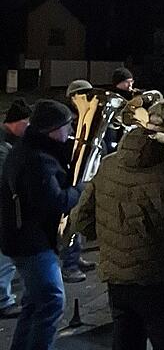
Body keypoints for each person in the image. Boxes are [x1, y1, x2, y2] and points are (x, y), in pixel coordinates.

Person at [68, 99, 164, 350]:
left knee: (126, 342)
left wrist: (115, 237)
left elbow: (81, 220)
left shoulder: (110, 162)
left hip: (118, 281)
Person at [0, 100, 83, 350]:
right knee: (51, 300)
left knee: (34, 303)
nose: (71, 131)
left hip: (22, 237)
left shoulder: (29, 149)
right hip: (31, 241)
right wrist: (82, 188)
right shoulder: (38, 159)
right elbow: (56, 201)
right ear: (52, 130)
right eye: (67, 126)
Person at [59, 80, 98, 284]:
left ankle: (76, 256)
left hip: (82, 172)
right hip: (69, 174)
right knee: (72, 221)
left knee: (80, 217)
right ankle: (69, 265)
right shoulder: (65, 115)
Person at [0, 99, 32, 318]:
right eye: (26, 123)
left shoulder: (8, 143)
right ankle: (3, 301)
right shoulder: (3, 148)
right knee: (4, 258)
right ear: (17, 123)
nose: (29, 128)